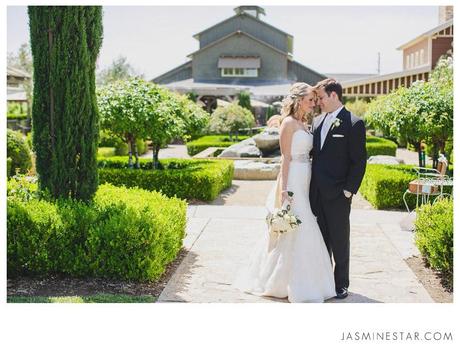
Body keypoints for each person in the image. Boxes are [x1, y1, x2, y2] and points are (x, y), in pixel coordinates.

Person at [234, 82, 336, 303]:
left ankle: (313, 280)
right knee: (295, 223)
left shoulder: (304, 122)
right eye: (310, 100)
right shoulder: (288, 123)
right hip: (294, 179)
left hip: (307, 177)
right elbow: (285, 159)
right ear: (298, 100)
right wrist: (285, 190)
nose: (314, 104)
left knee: (306, 220)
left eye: (315, 100)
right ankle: (283, 281)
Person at [310, 79, 367, 299]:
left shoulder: (353, 123)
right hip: (315, 193)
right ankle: (324, 282)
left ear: (334, 96)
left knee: (340, 240)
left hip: (338, 195)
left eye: (322, 98)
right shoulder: (316, 122)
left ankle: (341, 283)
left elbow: (359, 162)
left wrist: (348, 191)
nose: (319, 103)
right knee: (321, 239)